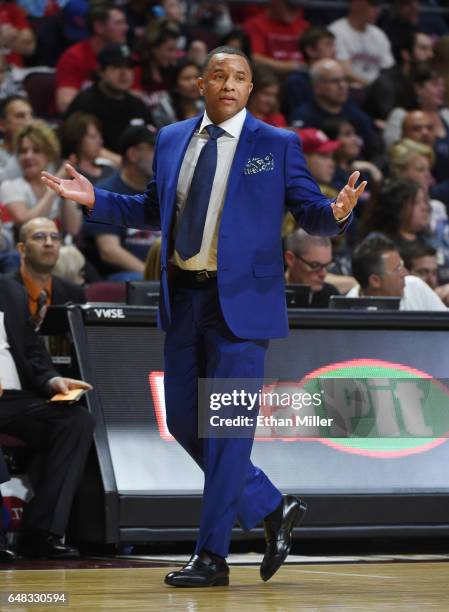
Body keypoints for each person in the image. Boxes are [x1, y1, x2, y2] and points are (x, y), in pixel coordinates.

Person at [42, 46, 366, 587]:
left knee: (228, 431)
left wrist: (336, 214)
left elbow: (311, 211)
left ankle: (212, 557)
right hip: (184, 298)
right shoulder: (171, 140)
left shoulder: (276, 143)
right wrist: (95, 198)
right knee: (183, 423)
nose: (230, 83)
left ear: (251, 86)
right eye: (220, 75)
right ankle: (270, 506)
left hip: (242, 309)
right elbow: (153, 207)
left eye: (240, 76)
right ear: (200, 84)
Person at [0, 276, 94, 558]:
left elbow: (32, 350)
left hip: (14, 398)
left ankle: (41, 532)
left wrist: (52, 380)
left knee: (75, 421)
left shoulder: (10, 291)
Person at [82, 125, 159, 281]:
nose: (160, 155)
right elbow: (109, 251)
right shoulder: (105, 193)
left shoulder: (164, 189)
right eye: (153, 149)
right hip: (123, 276)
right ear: (132, 154)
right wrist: (150, 274)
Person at [65, 43, 153, 153]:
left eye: (129, 67)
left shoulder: (138, 106)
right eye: (117, 66)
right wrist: (120, 162)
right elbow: (75, 146)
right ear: (100, 71)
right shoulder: (84, 104)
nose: (124, 73)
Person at [9, 217, 86, 329]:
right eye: (39, 237)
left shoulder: (74, 293)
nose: (49, 243)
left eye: (55, 237)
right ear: (22, 249)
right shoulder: (3, 290)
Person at [55, 3, 129, 114]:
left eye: (124, 22)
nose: (126, 28)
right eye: (118, 23)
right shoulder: (74, 57)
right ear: (99, 27)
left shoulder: (126, 55)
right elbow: (65, 105)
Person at [349, 234, 446, 310]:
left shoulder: (414, 286)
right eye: (397, 269)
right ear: (375, 281)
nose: (405, 273)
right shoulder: (348, 311)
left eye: (402, 265)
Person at [328, 0, 394, 87]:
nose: (378, 11)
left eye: (378, 6)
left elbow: (389, 68)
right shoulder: (336, 31)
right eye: (372, 5)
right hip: (349, 90)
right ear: (356, 3)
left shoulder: (379, 34)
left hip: (378, 93)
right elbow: (344, 71)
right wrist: (374, 88)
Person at [284, 229, 339, 308]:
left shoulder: (331, 296)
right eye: (315, 265)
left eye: (327, 265)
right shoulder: (271, 295)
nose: (323, 274)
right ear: (290, 259)